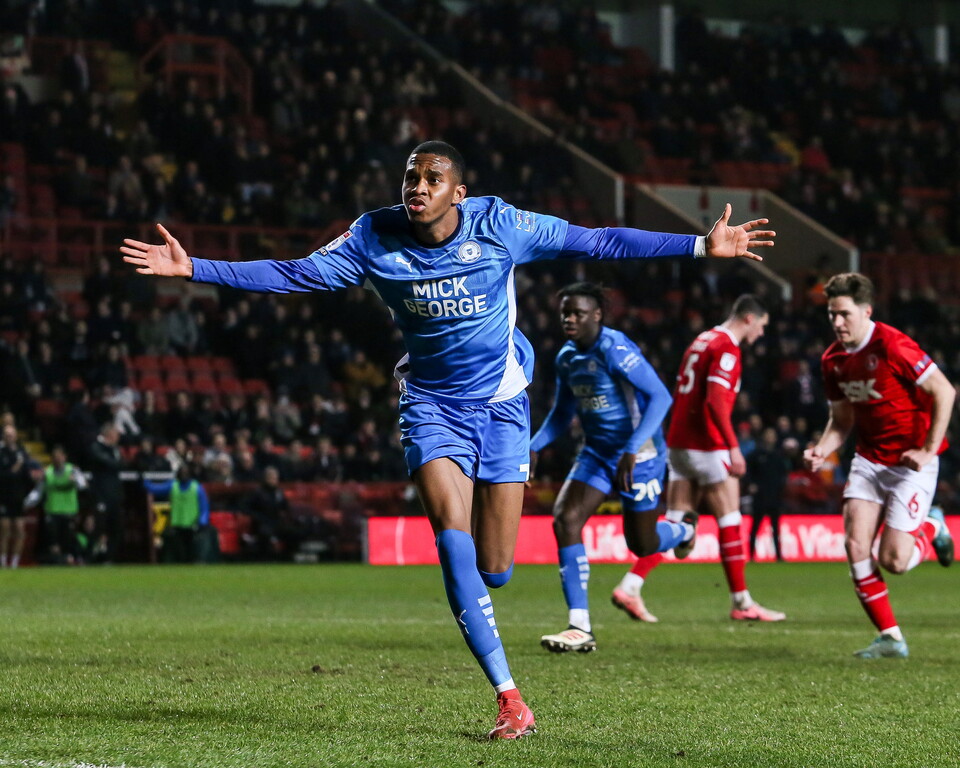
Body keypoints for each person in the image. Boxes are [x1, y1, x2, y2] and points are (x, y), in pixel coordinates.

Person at [120, 140, 775, 739]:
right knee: (449, 537)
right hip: (431, 406)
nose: (418, 186)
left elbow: (598, 240)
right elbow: (294, 274)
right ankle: (510, 698)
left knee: (497, 569)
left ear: (458, 193)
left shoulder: (500, 224)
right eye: (411, 176)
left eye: (433, 178)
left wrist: (699, 246)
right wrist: (194, 267)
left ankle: (651, 541)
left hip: (504, 405)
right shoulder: (372, 235)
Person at [529, 282, 694, 652]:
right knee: (566, 519)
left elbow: (660, 397)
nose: (569, 320)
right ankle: (580, 625)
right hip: (598, 454)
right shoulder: (567, 358)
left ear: (597, 315)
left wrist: (633, 447)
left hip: (639, 455)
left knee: (642, 544)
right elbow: (562, 413)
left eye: (578, 313)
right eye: (565, 313)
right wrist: (534, 446)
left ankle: (683, 529)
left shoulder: (615, 349)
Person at [803, 272, 955, 659]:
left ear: (866, 311)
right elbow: (841, 421)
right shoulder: (833, 360)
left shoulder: (892, 345)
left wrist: (928, 450)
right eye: (832, 314)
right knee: (855, 544)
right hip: (869, 460)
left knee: (894, 561)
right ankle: (890, 637)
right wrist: (822, 449)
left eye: (844, 314)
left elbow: (944, 390)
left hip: (911, 464)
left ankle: (934, 525)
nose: (837, 322)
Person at [664, 294, 786, 621]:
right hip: (707, 443)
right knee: (730, 519)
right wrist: (733, 446)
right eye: (761, 326)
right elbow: (715, 400)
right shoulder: (727, 347)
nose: (761, 333)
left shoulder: (702, 339)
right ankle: (742, 602)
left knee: (675, 520)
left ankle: (631, 585)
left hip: (678, 441)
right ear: (749, 318)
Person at [24, 445, 88, 564]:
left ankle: (71, 558)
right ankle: (58, 560)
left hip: (69, 510)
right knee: (53, 540)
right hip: (52, 510)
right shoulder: (47, 472)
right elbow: (38, 491)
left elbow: (83, 485)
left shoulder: (72, 470)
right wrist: (26, 503)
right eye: (55, 457)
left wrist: (76, 480)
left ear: (64, 457)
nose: (57, 459)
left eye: (59, 456)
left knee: (68, 538)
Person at [144, 464, 211, 563]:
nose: (184, 475)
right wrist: (144, 479)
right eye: (182, 473)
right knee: (178, 553)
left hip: (194, 527)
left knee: (196, 550)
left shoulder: (197, 487)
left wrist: (202, 522)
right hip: (177, 526)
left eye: (186, 473)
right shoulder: (173, 485)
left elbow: (204, 506)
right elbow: (154, 488)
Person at [746, 427, 790, 561]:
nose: (770, 438)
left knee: (776, 527)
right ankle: (750, 555)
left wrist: (781, 487)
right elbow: (748, 471)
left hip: (774, 496)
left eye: (772, 435)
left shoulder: (778, 456)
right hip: (760, 496)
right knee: (755, 526)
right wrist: (750, 484)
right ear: (763, 437)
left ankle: (778, 555)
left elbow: (783, 474)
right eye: (768, 435)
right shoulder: (755, 455)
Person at [87, 423, 125, 563]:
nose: (118, 437)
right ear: (109, 434)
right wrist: (116, 462)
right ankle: (89, 557)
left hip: (114, 495)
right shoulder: (96, 447)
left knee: (116, 527)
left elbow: (121, 464)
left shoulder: (114, 449)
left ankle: (109, 558)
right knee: (98, 527)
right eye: (116, 434)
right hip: (101, 495)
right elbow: (113, 463)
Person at [0, 423, 32, 568]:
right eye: (7, 435)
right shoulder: (1, 453)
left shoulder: (22, 452)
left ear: (16, 436)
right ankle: (3, 561)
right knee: (5, 529)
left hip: (18, 496)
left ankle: (14, 563)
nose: (10, 437)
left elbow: (26, 474)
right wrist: (14, 469)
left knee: (19, 529)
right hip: (3, 496)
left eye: (12, 435)